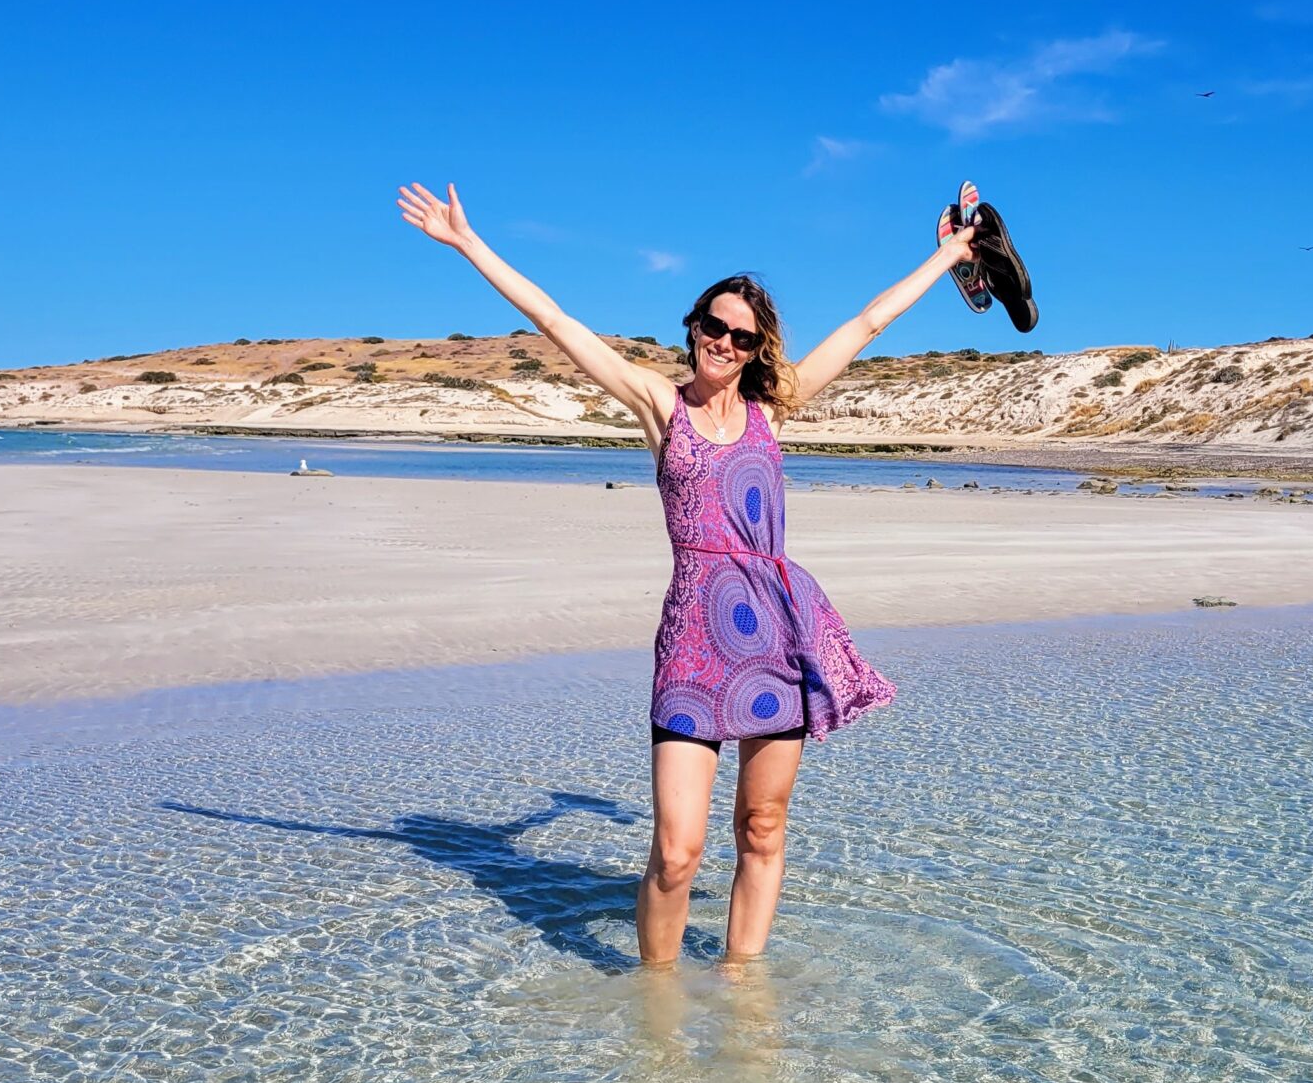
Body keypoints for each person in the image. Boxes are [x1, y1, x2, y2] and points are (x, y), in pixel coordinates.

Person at [396, 181, 978, 966]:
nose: (725, 344)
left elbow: (869, 321)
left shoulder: (778, 405)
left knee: (762, 827)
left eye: (742, 337)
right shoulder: (658, 406)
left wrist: (948, 254)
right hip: (695, 637)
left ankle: (743, 994)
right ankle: (658, 1007)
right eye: (715, 326)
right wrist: (469, 244)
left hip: (776, 626)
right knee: (677, 851)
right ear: (694, 327)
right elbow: (556, 321)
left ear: (757, 348)